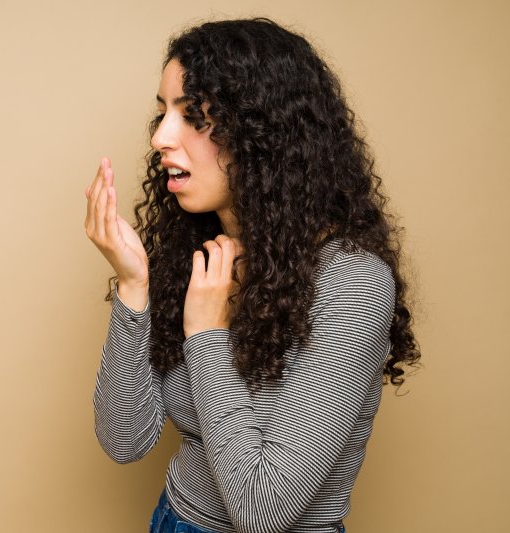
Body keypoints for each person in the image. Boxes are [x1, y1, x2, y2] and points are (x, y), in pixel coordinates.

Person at [83, 18, 420, 533]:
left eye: (193, 115)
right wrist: (134, 288)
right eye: (162, 113)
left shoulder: (351, 278)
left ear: (264, 132)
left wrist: (206, 334)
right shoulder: (195, 251)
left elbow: (262, 510)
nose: (160, 138)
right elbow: (125, 438)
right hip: (172, 520)